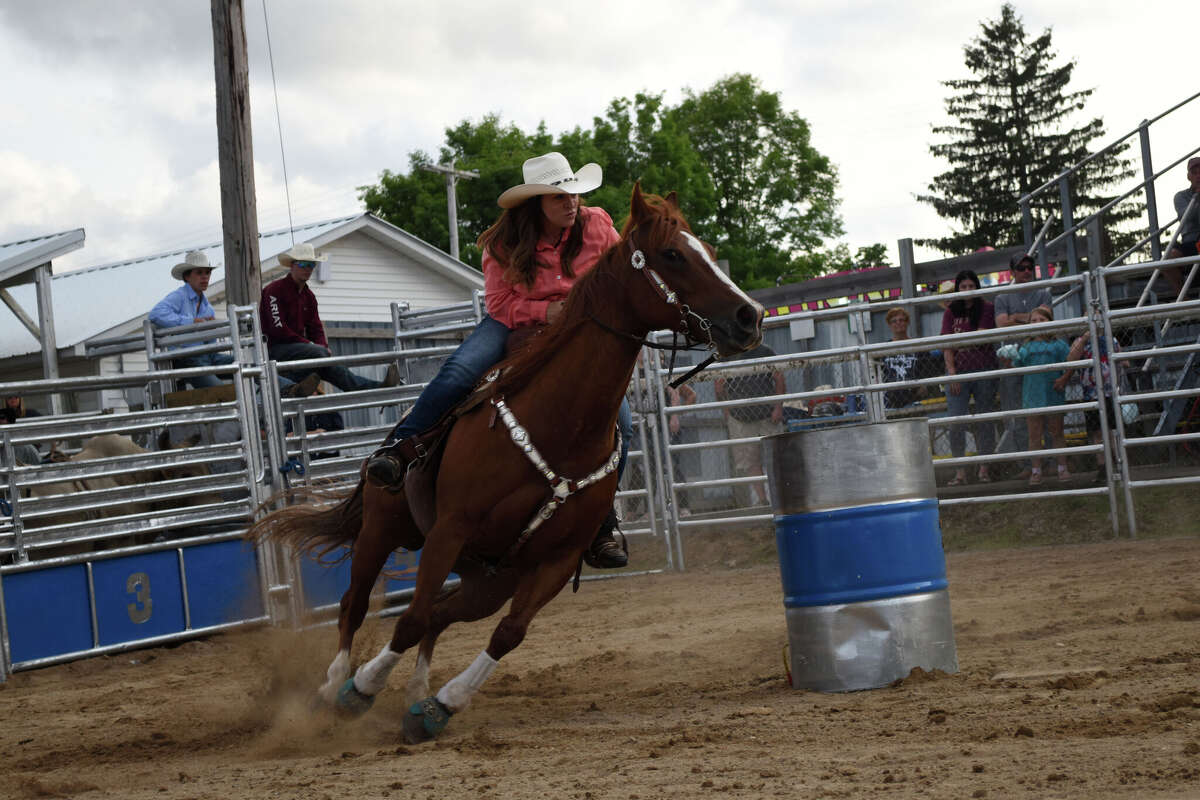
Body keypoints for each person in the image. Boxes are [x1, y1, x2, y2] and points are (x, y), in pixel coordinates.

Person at [363, 152, 634, 569]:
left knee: (624, 422)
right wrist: (548, 312)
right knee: (459, 372)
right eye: (559, 196)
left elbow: (620, 274)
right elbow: (502, 304)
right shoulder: (503, 244)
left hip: (578, 333)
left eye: (573, 194)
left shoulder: (597, 224)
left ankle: (602, 523)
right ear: (536, 203)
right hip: (514, 324)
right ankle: (398, 452)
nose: (571, 202)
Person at [260, 243, 400, 394]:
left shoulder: (309, 297)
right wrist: (315, 347)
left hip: (301, 351)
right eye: (303, 264)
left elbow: (316, 327)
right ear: (292, 266)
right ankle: (295, 385)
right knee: (323, 357)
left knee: (332, 366)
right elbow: (278, 329)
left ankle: (377, 390)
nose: (308, 268)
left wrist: (322, 347)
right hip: (274, 350)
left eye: (311, 264)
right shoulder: (274, 290)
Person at [994, 253, 1053, 476]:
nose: (1026, 271)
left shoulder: (1044, 293)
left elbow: (1046, 318)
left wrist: (1015, 318)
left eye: (1030, 267)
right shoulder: (1002, 298)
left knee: (1046, 411)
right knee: (1018, 414)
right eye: (1021, 268)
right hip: (1013, 361)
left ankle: (1049, 462)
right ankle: (1028, 465)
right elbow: (1001, 325)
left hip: (1040, 359)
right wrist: (1029, 317)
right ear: (1013, 272)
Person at [940, 270, 998, 486]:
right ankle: (960, 472)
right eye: (962, 287)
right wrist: (952, 372)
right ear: (957, 289)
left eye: (970, 286)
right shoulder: (950, 312)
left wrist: (958, 339)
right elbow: (947, 345)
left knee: (985, 419)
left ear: (976, 287)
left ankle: (984, 468)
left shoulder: (987, 308)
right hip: (958, 371)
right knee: (956, 422)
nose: (967, 290)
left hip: (984, 369)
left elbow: (982, 338)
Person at [714, 343, 785, 507]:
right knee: (750, 462)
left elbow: (779, 377)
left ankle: (779, 498)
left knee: (775, 458)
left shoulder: (765, 351)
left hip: (767, 414)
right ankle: (762, 500)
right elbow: (718, 386)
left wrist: (778, 407)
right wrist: (727, 411)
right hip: (741, 417)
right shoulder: (726, 354)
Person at [1007, 306, 1070, 486]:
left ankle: (1062, 467)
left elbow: (1069, 363)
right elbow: (1017, 366)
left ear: (1050, 322)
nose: (1037, 323)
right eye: (1034, 321)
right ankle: (1036, 471)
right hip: (1032, 396)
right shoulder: (1026, 347)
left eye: (1042, 320)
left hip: (1053, 394)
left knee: (1057, 432)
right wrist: (1008, 359)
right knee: (1034, 436)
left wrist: (1064, 378)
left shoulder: (1058, 344)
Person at [1054, 329, 1120, 485]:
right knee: (1097, 432)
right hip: (1091, 395)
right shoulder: (1080, 342)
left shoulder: (1111, 340)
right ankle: (1103, 467)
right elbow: (1070, 360)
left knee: (1112, 431)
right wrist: (1084, 339)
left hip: (1111, 393)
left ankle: (1117, 463)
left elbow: (1121, 358)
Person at [879, 306, 940, 410]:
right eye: (894, 321)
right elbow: (880, 372)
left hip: (916, 394)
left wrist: (924, 385)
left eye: (901, 320)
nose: (898, 323)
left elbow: (929, 369)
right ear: (889, 325)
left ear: (907, 322)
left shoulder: (918, 346)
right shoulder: (884, 349)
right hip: (892, 396)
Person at [1165, 156, 1200, 298]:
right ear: (1188, 176)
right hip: (1190, 242)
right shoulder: (1181, 196)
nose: (1199, 176)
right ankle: (1183, 301)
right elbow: (1186, 217)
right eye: (1195, 172)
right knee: (1168, 259)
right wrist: (1197, 198)